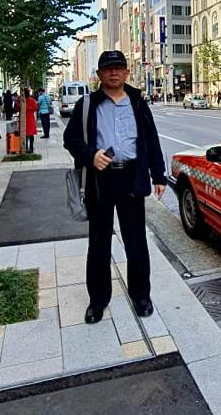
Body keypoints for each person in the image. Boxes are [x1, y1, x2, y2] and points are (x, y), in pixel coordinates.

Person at [64, 49, 166, 325]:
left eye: (118, 68)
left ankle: (141, 295)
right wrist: (90, 155)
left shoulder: (137, 102)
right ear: (99, 75)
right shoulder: (88, 104)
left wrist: (159, 175)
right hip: (101, 179)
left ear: (126, 72)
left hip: (131, 178)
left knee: (136, 242)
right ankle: (98, 300)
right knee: (98, 243)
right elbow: (70, 139)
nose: (113, 73)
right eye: (107, 69)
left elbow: (151, 139)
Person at [23, 88, 38, 153]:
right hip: (25, 118)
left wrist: (27, 108)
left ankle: (31, 148)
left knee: (30, 134)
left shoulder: (31, 100)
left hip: (29, 118)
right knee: (25, 134)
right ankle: (25, 147)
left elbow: (35, 108)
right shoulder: (22, 100)